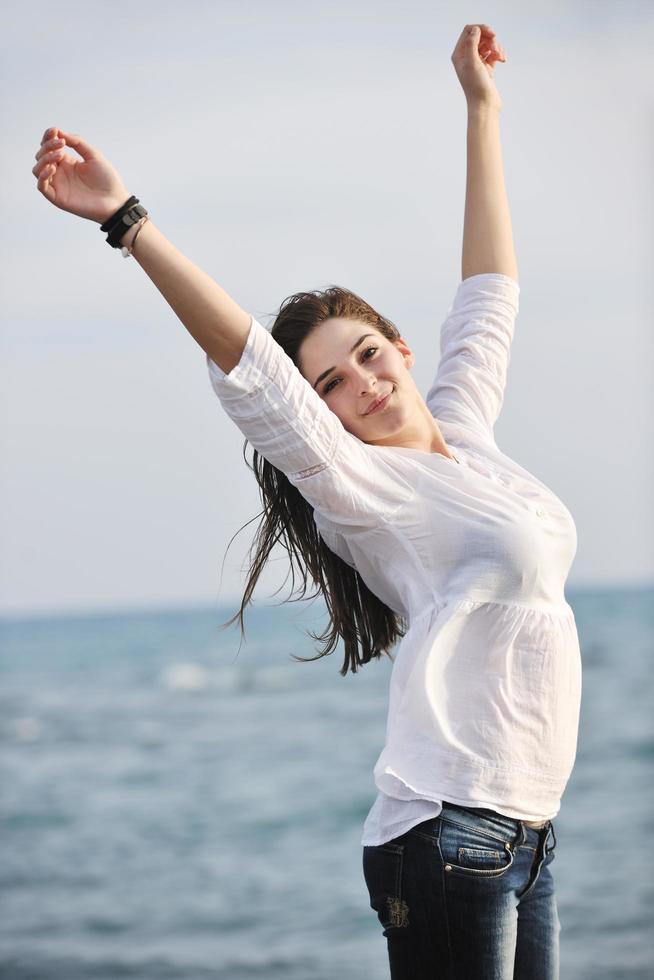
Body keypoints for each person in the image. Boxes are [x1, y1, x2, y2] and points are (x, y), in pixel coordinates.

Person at [32, 22, 580, 980]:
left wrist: (482, 108)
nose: (361, 383)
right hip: (449, 832)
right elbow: (250, 366)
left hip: (525, 837)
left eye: (367, 355)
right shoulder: (362, 488)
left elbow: (491, 290)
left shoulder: (469, 436)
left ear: (401, 350)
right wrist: (128, 222)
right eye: (330, 384)